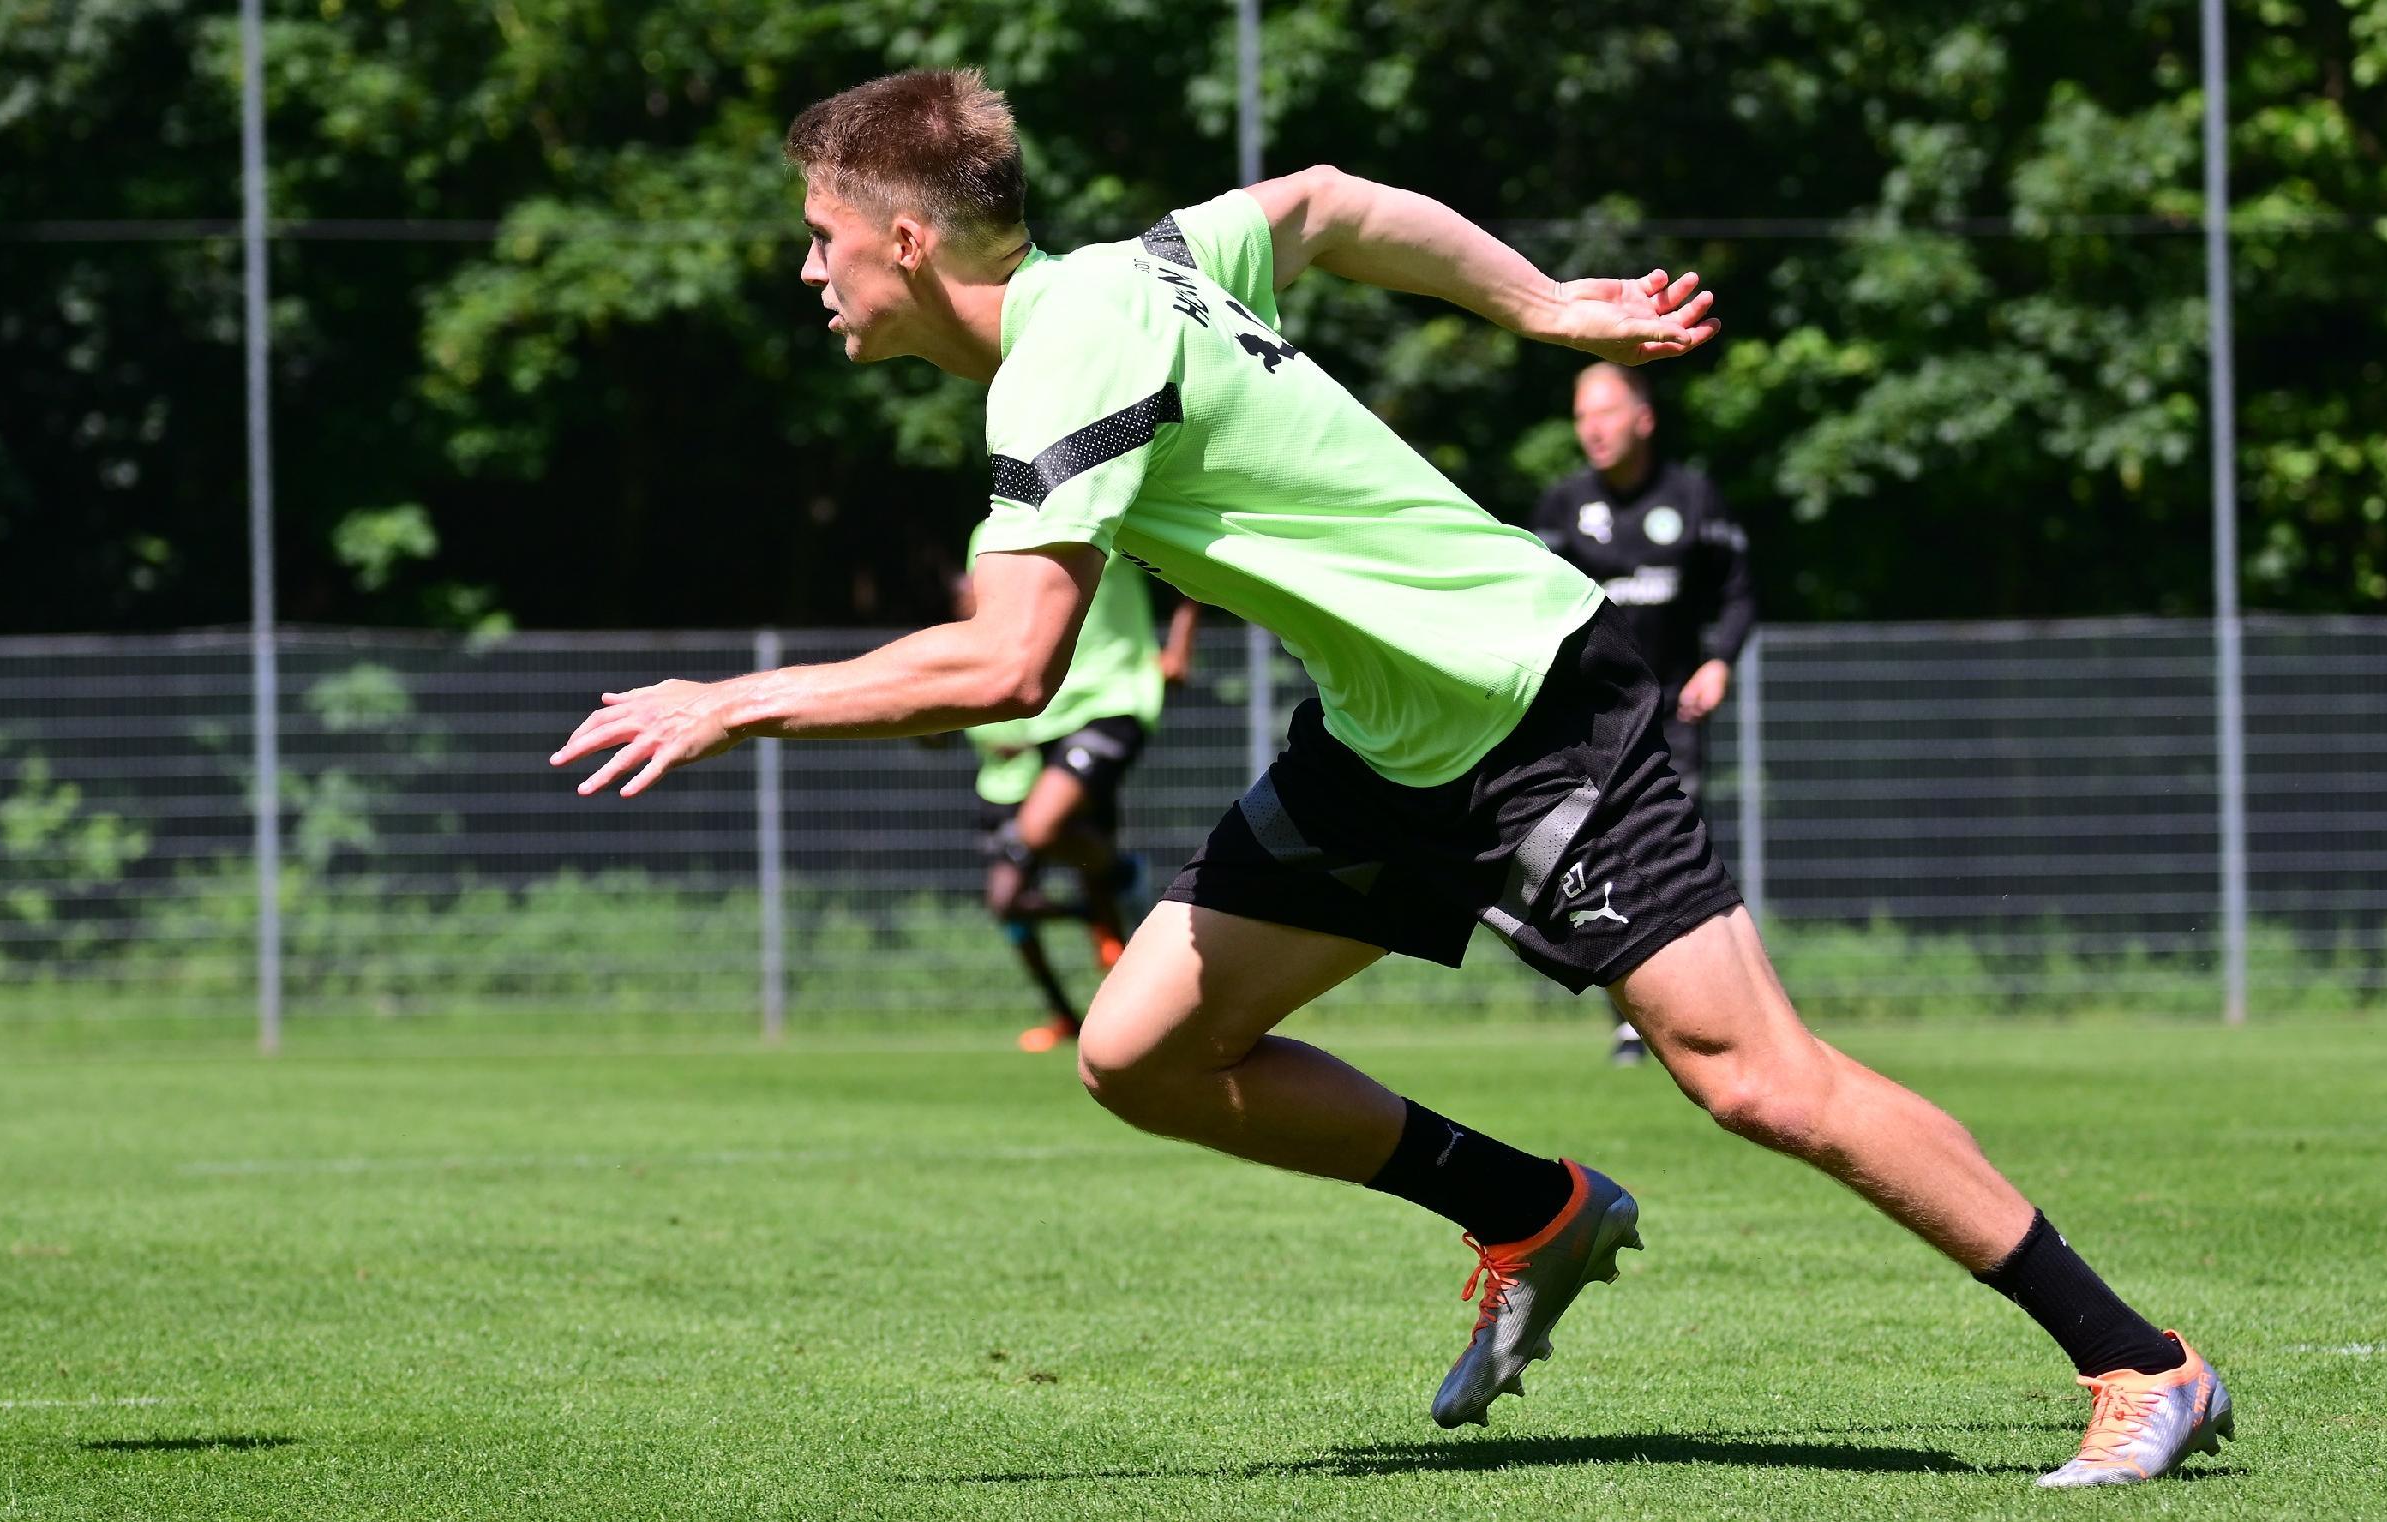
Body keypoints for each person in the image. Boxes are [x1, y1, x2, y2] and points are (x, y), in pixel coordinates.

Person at [552, 70, 2226, 1487]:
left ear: (907, 242)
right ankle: (1532, 1211)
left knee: (1757, 1080)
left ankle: (2143, 1362)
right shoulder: (1146, 267)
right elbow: (1334, 204)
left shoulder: (1068, 354)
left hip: (1532, 705)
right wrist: (1537, 303)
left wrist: (734, 701)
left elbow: (1006, 666)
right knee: (1137, 1047)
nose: (810, 271)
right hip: (1386, 746)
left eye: (825, 240)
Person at [1529, 364, 1755, 1066]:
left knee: (1674, 857)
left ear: (1643, 418)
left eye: (1605, 412)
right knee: (1585, 857)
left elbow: (1741, 591)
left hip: (1672, 711)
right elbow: (1531, 600)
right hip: (1586, 718)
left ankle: (1704, 1010)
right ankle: (1635, 1005)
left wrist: (1719, 660)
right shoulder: (1563, 506)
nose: (1591, 428)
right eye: (1580, 416)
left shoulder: (1693, 498)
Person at [948, 526, 1198, 1051]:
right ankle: (1130, 1025)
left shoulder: (1108, 515)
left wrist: (1179, 647)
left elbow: (1192, 569)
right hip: (1049, 717)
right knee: (1066, 883)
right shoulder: (990, 534)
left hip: (1116, 698)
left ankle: (1125, 880)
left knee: (1041, 828)